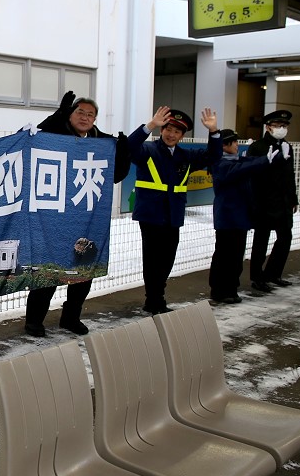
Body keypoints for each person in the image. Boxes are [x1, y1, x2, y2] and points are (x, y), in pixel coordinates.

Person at [22, 91, 131, 337]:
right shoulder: (55, 135)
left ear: (95, 119)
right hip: (53, 218)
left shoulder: (102, 142)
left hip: (87, 219)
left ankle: (71, 318)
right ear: (70, 115)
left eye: (90, 114)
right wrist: (58, 114)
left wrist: (123, 152)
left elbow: (115, 175)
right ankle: (34, 320)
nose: (84, 117)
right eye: (79, 112)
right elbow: (39, 135)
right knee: (48, 270)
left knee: (83, 271)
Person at [129, 106, 222, 314]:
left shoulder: (186, 155)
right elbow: (128, 147)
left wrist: (214, 132)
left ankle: (157, 297)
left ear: (182, 135)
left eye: (177, 131)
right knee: (153, 260)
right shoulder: (149, 150)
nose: (171, 134)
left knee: (167, 259)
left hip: (173, 215)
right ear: (162, 130)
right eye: (168, 129)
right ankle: (153, 300)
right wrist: (150, 125)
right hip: (151, 215)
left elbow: (214, 156)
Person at [208, 129, 283, 304]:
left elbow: (251, 162)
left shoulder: (237, 160)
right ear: (225, 145)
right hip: (227, 218)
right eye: (234, 142)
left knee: (235, 256)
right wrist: (265, 160)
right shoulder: (220, 164)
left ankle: (231, 289)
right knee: (224, 256)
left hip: (240, 217)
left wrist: (276, 158)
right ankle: (219, 291)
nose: (237, 145)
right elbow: (242, 168)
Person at [247, 110, 297, 292]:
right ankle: (257, 277)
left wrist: (293, 198)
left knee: (285, 237)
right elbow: (252, 176)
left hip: (283, 202)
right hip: (264, 201)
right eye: (277, 126)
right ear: (268, 127)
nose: (281, 129)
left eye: (284, 126)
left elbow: (290, 175)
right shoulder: (258, 147)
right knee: (261, 239)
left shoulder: (287, 147)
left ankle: (273, 273)